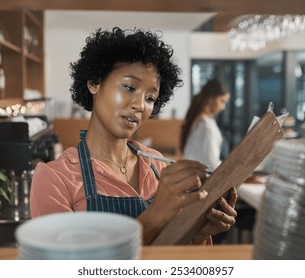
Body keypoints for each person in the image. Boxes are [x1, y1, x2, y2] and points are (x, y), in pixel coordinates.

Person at [30, 27, 237, 245]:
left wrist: (198, 233)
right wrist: (156, 215)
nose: (139, 106)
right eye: (129, 87)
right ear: (94, 83)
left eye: (150, 98)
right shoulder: (54, 179)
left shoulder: (158, 167)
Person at [180, 79, 231, 172]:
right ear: (211, 98)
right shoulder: (206, 126)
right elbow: (211, 165)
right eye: (222, 101)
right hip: (202, 181)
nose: (223, 107)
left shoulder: (198, 120)